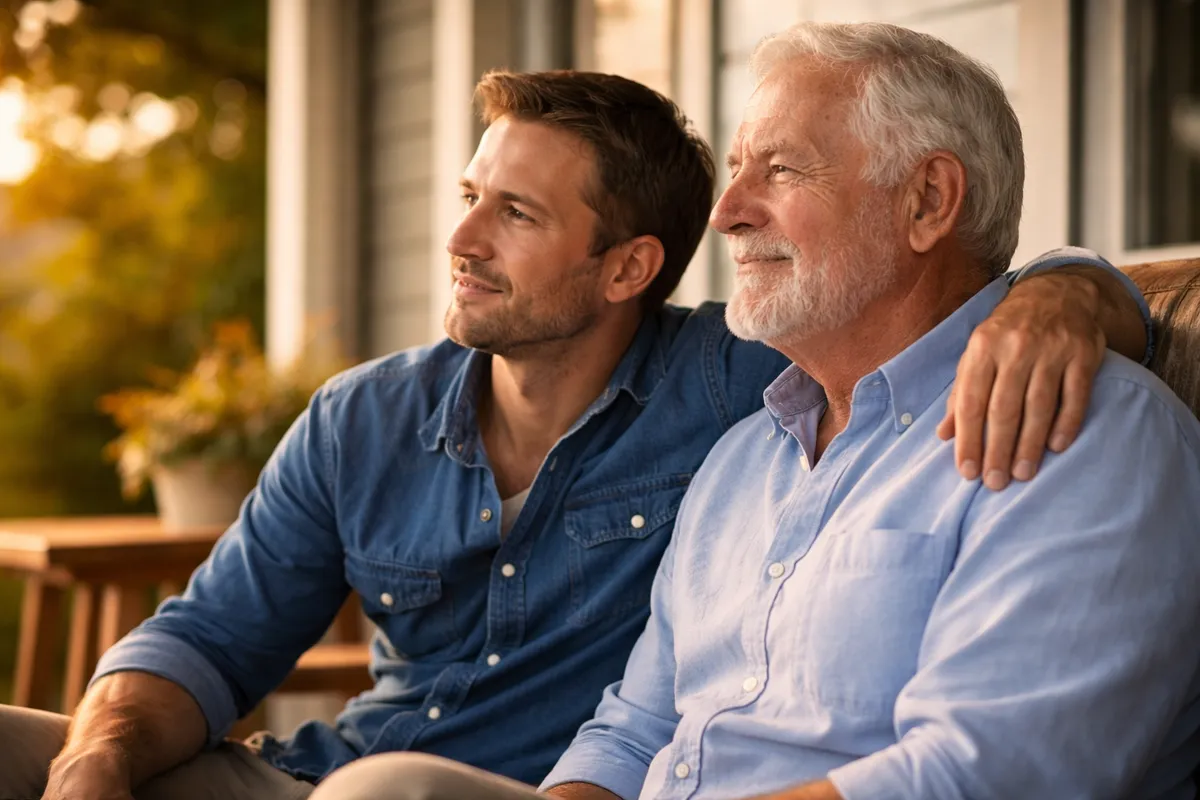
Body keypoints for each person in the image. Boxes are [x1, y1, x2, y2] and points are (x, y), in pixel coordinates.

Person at [2, 65, 1150, 800]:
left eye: (515, 211)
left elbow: (939, 302)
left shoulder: (737, 382)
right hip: (322, 774)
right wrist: (97, 757)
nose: (460, 235)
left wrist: (1078, 291)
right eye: (467, 193)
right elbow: (207, 639)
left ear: (628, 269)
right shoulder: (369, 416)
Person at [303, 23, 1200, 800]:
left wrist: (1076, 290)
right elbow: (631, 729)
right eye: (735, 171)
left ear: (928, 201)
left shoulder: (1082, 429)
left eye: (779, 170)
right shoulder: (745, 452)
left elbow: (990, 774)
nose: (727, 214)